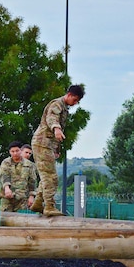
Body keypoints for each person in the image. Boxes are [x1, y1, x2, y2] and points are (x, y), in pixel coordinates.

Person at [31, 85, 85, 217]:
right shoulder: (57, 104)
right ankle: (49, 206)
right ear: (70, 95)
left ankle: (38, 202)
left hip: (46, 144)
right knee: (51, 176)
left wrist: (56, 148)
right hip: (42, 143)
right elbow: (52, 118)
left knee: (46, 175)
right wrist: (56, 128)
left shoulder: (64, 108)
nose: (75, 103)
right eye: (75, 100)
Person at [0, 141, 35, 213]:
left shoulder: (29, 164)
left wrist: (31, 196)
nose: (15, 153)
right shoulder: (6, 162)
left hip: (22, 199)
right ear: (9, 152)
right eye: (12, 151)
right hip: (7, 197)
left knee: (21, 221)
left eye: (17, 151)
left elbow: (32, 181)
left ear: (21, 151)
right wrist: (7, 188)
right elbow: (4, 176)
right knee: (5, 220)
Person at [20, 143, 38, 211]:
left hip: (24, 198)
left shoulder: (32, 166)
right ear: (21, 152)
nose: (28, 155)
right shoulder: (10, 163)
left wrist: (32, 196)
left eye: (30, 153)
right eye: (26, 152)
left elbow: (33, 182)